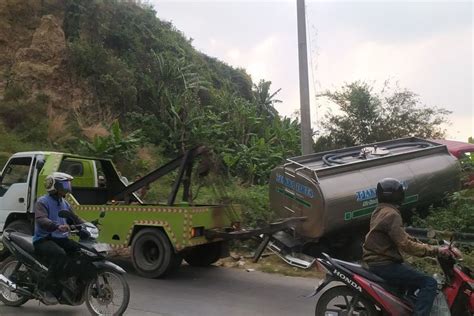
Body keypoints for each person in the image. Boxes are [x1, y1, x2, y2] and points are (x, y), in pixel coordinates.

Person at [362, 178, 451, 316]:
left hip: (376, 262)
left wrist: (428, 246)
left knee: (413, 280)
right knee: (429, 283)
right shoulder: (392, 214)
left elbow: (403, 236)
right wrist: (435, 251)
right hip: (384, 264)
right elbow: (405, 244)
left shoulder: (380, 210)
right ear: (396, 195)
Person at [33, 172, 85, 304]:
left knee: (80, 251)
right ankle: (47, 290)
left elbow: (75, 218)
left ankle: (68, 281)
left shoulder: (65, 203)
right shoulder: (42, 202)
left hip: (60, 239)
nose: (67, 187)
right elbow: (41, 219)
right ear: (53, 186)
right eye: (64, 184)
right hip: (44, 239)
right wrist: (56, 226)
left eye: (68, 184)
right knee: (59, 255)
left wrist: (87, 225)